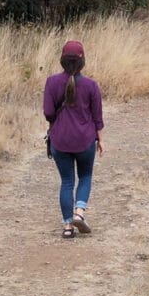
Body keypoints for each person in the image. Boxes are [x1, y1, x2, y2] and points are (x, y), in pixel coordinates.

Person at [43, 40, 104, 239]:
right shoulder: (91, 85)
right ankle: (79, 213)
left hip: (60, 140)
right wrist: (100, 140)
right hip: (85, 140)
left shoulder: (51, 82)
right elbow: (97, 117)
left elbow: (48, 113)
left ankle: (68, 226)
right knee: (85, 176)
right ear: (82, 61)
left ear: (62, 60)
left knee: (67, 181)